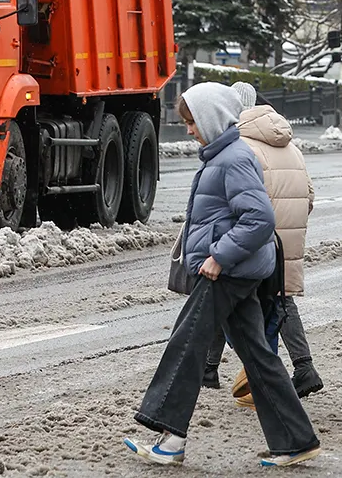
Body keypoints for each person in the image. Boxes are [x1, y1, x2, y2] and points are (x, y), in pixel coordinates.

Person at [125, 82, 320, 467]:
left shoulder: (232, 158)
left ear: (211, 118)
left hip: (225, 273)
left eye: (192, 121)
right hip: (236, 271)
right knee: (258, 356)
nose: (189, 129)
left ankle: (170, 436)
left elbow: (260, 219)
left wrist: (218, 256)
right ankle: (296, 440)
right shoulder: (223, 155)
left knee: (187, 345)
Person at [206, 82, 322, 400]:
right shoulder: (288, 142)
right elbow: (309, 196)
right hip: (288, 235)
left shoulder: (241, 147)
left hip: (258, 235)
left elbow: (235, 199)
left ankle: (215, 369)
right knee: (281, 298)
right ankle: (304, 367)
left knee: (227, 294)